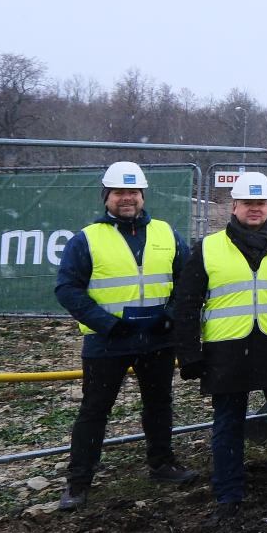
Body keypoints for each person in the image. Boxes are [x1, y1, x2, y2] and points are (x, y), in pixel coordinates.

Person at [172, 173, 267, 521]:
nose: (255, 209)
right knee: (228, 426)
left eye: (261, 203)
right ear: (234, 205)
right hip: (227, 352)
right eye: (248, 203)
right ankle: (228, 496)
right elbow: (186, 304)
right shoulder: (208, 248)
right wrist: (189, 353)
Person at [54, 161, 196, 511]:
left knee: (159, 404)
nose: (127, 198)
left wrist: (170, 317)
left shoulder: (166, 233)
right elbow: (67, 289)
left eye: (133, 192)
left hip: (157, 338)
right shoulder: (87, 239)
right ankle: (78, 482)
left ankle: (162, 464)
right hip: (108, 342)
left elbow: (188, 280)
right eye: (119, 192)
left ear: (143, 195)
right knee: (94, 410)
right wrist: (107, 324)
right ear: (107, 196)